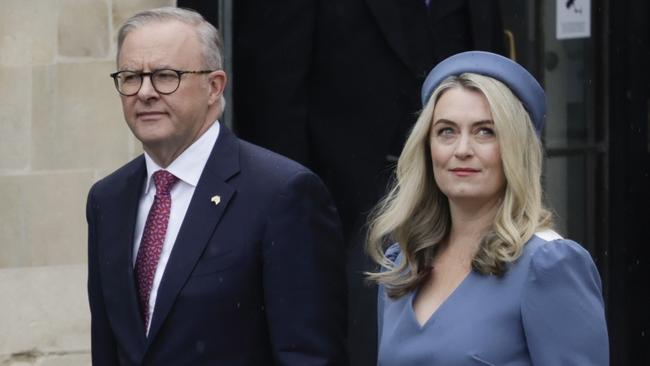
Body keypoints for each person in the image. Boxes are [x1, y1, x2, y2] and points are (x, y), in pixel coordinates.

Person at [86, 7, 347, 365]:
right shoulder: (108, 200)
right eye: (131, 77)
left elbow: (309, 355)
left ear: (214, 87)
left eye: (165, 76)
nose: (144, 92)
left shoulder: (283, 194)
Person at [366, 51, 609, 365]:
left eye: (485, 131)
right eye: (446, 131)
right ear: (427, 148)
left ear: (515, 147)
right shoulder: (401, 264)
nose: (462, 150)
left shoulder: (549, 265)